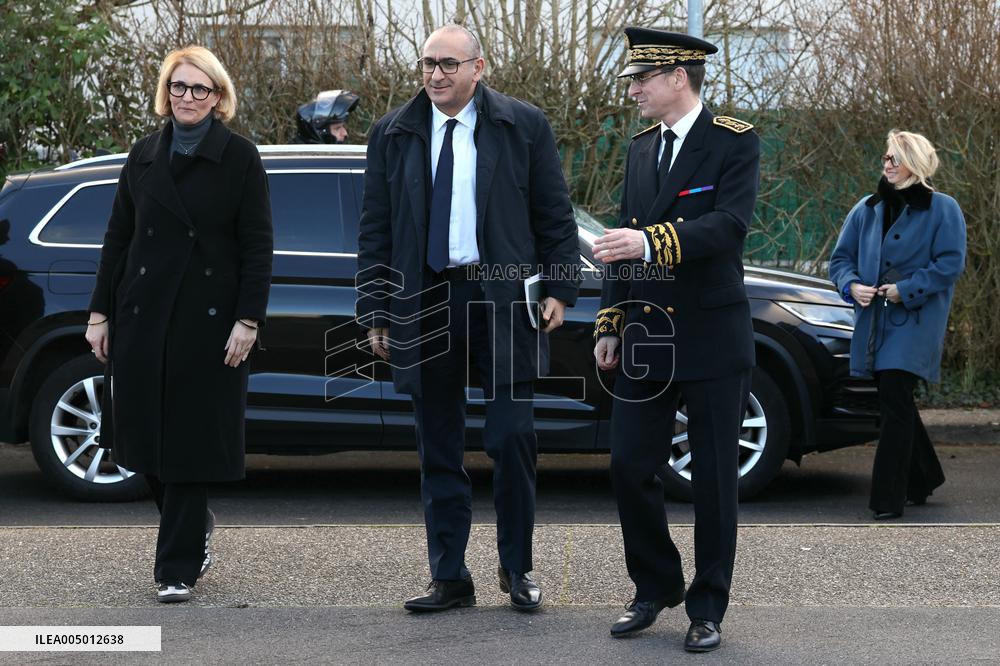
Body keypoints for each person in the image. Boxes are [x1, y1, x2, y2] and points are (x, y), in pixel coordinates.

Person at [357, 24, 580, 613]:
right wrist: (376, 307)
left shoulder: (523, 126)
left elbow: (554, 215)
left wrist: (561, 287)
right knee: (438, 446)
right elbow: (375, 230)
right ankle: (449, 577)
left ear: (478, 68)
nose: (436, 74)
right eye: (428, 63)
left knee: (512, 438)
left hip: (503, 301)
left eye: (449, 64)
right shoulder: (394, 133)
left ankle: (518, 570)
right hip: (425, 301)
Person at [591, 27, 760, 652]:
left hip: (711, 332)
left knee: (714, 480)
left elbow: (727, 227)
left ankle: (708, 605)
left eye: (641, 79)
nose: (632, 90)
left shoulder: (732, 142)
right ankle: (656, 584)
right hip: (646, 337)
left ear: (678, 79)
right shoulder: (639, 148)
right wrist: (612, 322)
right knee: (629, 465)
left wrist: (651, 241)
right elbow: (620, 242)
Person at [85, 46, 273, 603]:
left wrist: (248, 319)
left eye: (199, 89)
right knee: (142, 440)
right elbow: (118, 239)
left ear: (219, 98)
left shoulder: (240, 158)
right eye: (178, 87)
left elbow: (258, 245)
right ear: (166, 93)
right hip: (142, 314)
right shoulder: (143, 155)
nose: (187, 97)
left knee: (190, 442)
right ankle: (194, 528)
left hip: (208, 323)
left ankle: (177, 566)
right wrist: (100, 313)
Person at [829, 129, 966, 521]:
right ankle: (925, 477)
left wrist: (904, 290)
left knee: (894, 395)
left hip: (915, 319)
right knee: (896, 400)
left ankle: (888, 499)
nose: (886, 164)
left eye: (894, 158)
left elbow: (949, 264)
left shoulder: (944, 208)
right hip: (873, 322)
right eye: (886, 157)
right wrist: (851, 286)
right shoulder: (866, 207)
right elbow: (839, 262)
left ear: (915, 163)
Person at [292, 90, 360, 144]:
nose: (345, 133)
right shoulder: (295, 159)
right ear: (319, 133)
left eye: (342, 127)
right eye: (337, 128)